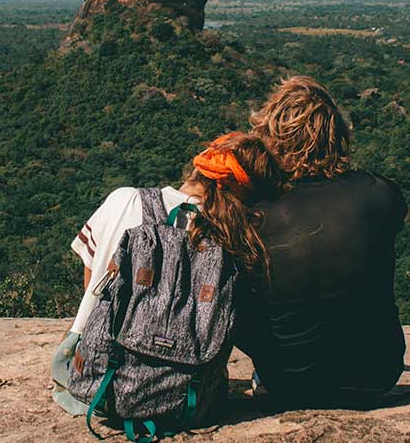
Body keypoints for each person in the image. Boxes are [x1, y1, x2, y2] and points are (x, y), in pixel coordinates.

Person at [51, 132, 283, 415]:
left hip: (96, 380)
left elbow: (92, 283)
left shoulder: (125, 199)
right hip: (186, 393)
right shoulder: (236, 239)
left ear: (198, 167)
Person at [236, 76, 408, 408]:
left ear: (270, 139)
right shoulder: (381, 195)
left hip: (289, 381)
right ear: (338, 135)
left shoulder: (256, 214)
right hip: (377, 375)